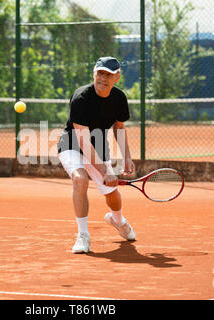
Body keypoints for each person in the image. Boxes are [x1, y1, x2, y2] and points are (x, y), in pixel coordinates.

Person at [57, 56, 136, 254]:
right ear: (94, 73)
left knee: (112, 195)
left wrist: (127, 156)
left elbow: (119, 128)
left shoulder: (119, 98)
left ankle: (118, 221)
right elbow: (82, 140)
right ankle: (83, 235)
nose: (103, 78)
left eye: (108, 75)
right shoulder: (81, 97)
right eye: (100, 73)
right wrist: (105, 171)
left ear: (117, 77)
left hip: (99, 145)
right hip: (71, 144)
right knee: (80, 179)